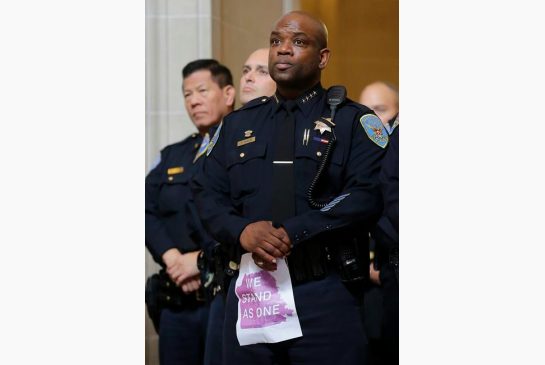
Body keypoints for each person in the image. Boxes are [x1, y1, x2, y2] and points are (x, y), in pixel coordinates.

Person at [191, 11, 388, 365]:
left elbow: (367, 194)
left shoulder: (353, 121)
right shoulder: (237, 125)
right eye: (276, 41)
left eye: (298, 42)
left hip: (324, 290)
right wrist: (242, 231)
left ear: (323, 57)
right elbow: (206, 195)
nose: (283, 49)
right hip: (252, 291)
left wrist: (292, 231)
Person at [145, 59, 235, 365]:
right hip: (178, 302)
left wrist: (199, 261)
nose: (193, 100)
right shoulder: (173, 155)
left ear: (228, 94)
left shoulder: (244, 150)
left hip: (225, 298)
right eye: (186, 94)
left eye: (201, 90)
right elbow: (144, 209)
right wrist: (172, 257)